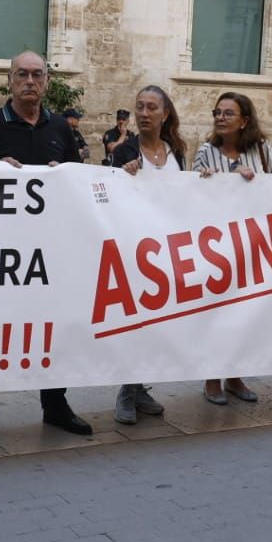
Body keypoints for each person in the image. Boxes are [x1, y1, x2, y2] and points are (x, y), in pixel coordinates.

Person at [0, 52, 94, 446]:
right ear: (10, 80)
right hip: (1, 254)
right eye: (23, 74)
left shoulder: (60, 128)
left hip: (50, 253)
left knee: (53, 331)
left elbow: (76, 180)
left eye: (37, 74)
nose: (30, 81)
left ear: (47, 82)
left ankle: (55, 405)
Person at [194, 92, 272, 404]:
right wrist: (220, 178)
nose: (220, 118)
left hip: (253, 245)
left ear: (245, 121)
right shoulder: (206, 152)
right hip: (217, 246)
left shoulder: (261, 150)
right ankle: (211, 378)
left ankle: (236, 377)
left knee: (244, 313)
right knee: (216, 313)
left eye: (229, 113)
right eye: (217, 112)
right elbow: (193, 191)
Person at [111, 86, 186, 424]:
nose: (143, 113)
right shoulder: (123, 149)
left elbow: (185, 193)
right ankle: (125, 392)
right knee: (133, 323)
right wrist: (121, 176)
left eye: (151, 107)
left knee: (155, 324)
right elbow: (110, 194)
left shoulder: (176, 151)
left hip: (167, 250)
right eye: (139, 106)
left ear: (164, 114)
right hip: (133, 248)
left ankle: (140, 386)